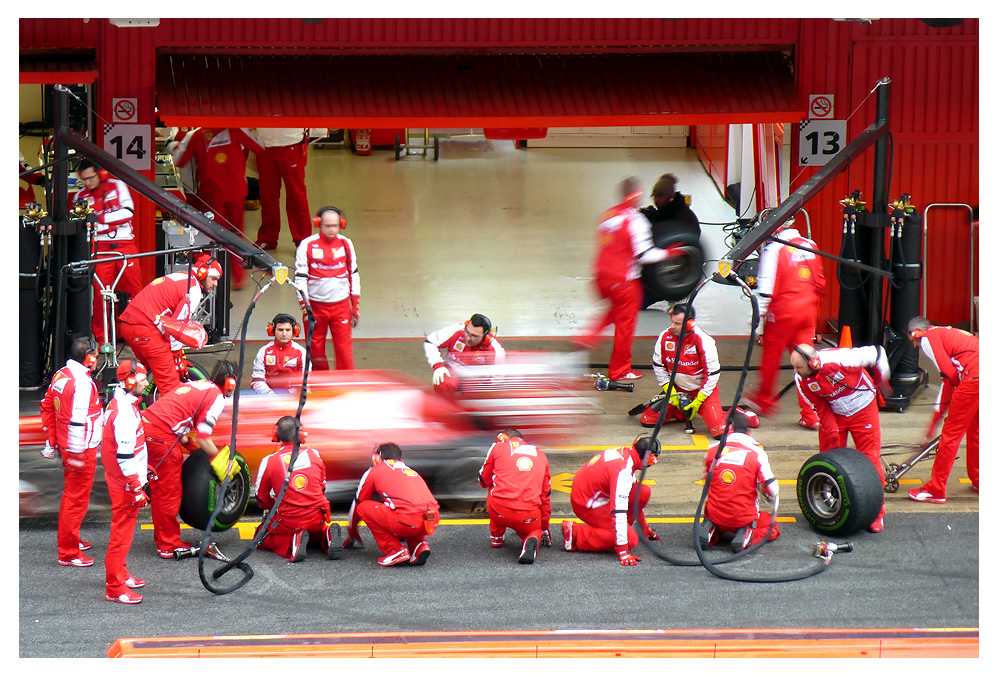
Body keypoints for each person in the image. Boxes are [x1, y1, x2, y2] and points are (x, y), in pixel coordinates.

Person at [140, 360, 241, 558]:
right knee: (169, 492)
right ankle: (168, 545)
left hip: (149, 428)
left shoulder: (197, 385)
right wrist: (221, 461)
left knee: (161, 490)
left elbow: (176, 419)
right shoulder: (216, 397)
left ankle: (163, 539)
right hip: (161, 436)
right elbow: (204, 436)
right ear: (230, 383)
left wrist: (191, 447)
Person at [577, 176, 671, 381]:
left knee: (616, 307)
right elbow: (645, 255)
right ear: (637, 195)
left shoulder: (606, 216)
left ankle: (588, 336)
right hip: (623, 280)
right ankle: (620, 370)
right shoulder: (636, 221)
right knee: (625, 325)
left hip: (601, 278)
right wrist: (671, 253)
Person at [791, 343, 890, 533]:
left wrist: (882, 380)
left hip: (863, 409)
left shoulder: (842, 358)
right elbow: (819, 406)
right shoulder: (801, 379)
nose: (795, 371)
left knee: (870, 459)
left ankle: (877, 512)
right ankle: (829, 503)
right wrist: (833, 434)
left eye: (798, 367)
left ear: (813, 362)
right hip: (835, 413)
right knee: (828, 459)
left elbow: (878, 352)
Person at [743, 215, 826, 429]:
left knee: (771, 358)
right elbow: (820, 283)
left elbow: (766, 289)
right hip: (808, 311)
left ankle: (764, 401)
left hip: (782, 312)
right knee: (806, 361)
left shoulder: (774, 249)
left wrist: (755, 318)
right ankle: (811, 413)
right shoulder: (811, 245)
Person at [640, 304, 759, 437]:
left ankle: (737, 414)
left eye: (677, 324)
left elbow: (713, 374)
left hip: (702, 392)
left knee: (720, 432)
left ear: (690, 324)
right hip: (677, 391)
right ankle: (680, 413)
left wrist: (699, 399)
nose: (672, 326)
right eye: (672, 322)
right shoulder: (664, 337)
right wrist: (671, 392)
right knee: (647, 420)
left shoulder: (705, 341)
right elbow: (659, 366)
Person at [39, 336, 104, 567]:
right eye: (95, 355)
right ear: (88, 358)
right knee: (76, 501)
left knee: (71, 497)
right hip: (80, 450)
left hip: (69, 447)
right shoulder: (83, 384)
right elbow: (77, 422)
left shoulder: (61, 375)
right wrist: (77, 456)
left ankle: (71, 539)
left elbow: (46, 406)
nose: (97, 360)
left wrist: (52, 441)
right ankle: (68, 552)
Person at [119, 253, 221, 396]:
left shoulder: (182, 276)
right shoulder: (192, 290)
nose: (216, 284)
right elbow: (176, 330)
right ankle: (173, 415)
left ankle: (143, 409)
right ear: (203, 272)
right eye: (214, 279)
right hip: (144, 328)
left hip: (130, 325)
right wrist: (177, 356)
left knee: (149, 376)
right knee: (170, 384)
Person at [176, 127, 265, 289]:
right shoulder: (237, 129)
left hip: (211, 195)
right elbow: (259, 146)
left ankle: (210, 277)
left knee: (211, 238)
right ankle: (238, 278)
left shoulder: (196, 135)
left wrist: (175, 144)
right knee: (236, 235)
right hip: (236, 191)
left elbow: (179, 160)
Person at [906, 317, 979, 503]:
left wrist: (933, 426)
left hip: (974, 378)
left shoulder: (928, 337)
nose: (916, 347)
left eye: (913, 342)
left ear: (916, 333)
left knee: (951, 435)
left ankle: (936, 489)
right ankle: (979, 479)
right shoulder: (949, 333)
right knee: (976, 431)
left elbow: (950, 378)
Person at [75, 159, 143, 346]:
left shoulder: (118, 185)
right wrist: (109, 222)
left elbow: (128, 213)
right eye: (84, 179)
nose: (88, 183)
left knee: (134, 294)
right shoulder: (80, 197)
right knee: (100, 298)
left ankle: (137, 334)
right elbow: (84, 225)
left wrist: (98, 219)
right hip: (100, 250)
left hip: (125, 248)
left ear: (101, 173)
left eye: (91, 178)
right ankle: (102, 340)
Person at [563, 436, 660, 566]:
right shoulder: (623, 471)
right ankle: (577, 534)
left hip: (590, 494)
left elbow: (635, 499)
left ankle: (616, 530)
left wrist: (644, 527)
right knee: (631, 540)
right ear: (650, 459)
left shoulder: (627, 455)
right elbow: (618, 511)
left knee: (643, 491)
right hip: (586, 504)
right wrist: (623, 551)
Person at [254, 416, 339, 561]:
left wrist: (273, 506)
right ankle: (326, 535)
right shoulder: (314, 454)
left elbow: (261, 498)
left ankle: (292, 542)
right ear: (301, 435)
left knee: (260, 537)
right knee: (314, 529)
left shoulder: (269, 461)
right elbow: (322, 486)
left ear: (276, 436)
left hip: (290, 521)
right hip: (318, 516)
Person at [343, 442, 440, 567]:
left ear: (377, 458)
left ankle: (395, 550)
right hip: (431, 520)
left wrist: (352, 532)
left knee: (364, 507)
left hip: (405, 520)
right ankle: (419, 545)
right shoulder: (410, 471)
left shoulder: (374, 471)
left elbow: (358, 503)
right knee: (407, 509)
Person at [101, 360, 150, 604]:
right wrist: (137, 486)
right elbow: (124, 455)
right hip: (124, 483)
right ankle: (115, 586)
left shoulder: (120, 404)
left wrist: (144, 468)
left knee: (124, 532)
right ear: (129, 381)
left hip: (122, 478)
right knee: (122, 534)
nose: (146, 382)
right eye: (142, 378)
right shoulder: (125, 413)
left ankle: (120, 571)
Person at [698, 410, 780, 552]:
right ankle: (749, 534)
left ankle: (712, 527)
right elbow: (773, 490)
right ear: (748, 432)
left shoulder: (712, 450)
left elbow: (707, 481)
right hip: (743, 517)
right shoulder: (757, 454)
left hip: (716, 513)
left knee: (712, 507)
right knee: (772, 527)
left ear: (728, 429)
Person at [295, 206, 360, 371]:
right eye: (328, 226)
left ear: (341, 225)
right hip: (316, 308)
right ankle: (320, 385)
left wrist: (355, 306)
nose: (332, 229)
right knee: (315, 352)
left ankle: (346, 384)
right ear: (318, 224)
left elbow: (354, 274)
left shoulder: (346, 244)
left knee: (345, 351)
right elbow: (300, 279)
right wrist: (306, 307)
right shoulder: (306, 245)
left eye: (335, 226)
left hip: (342, 307)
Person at [477, 429, 553, 564]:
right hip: (527, 514)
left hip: (498, 509)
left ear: (504, 437)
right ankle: (531, 539)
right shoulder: (541, 455)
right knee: (534, 530)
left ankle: (496, 538)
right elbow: (545, 496)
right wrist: (544, 527)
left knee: (494, 487)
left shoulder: (497, 446)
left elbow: (483, 481)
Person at [252, 128, 312, 249]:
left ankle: (303, 240)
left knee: (296, 195)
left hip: (292, 142)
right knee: (267, 195)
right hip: (264, 144)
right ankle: (268, 237)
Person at [423, 313, 506, 397]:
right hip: (452, 369)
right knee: (443, 383)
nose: (468, 338)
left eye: (474, 336)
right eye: (467, 332)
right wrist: (438, 365)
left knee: (474, 399)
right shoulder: (456, 330)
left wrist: (485, 385)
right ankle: (443, 406)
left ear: (485, 337)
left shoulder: (496, 349)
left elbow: (499, 375)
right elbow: (431, 341)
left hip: (475, 378)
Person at [250, 313, 310, 394]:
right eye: (280, 330)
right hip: (268, 398)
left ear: (294, 331)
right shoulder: (263, 352)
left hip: (294, 398)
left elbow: (306, 381)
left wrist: (294, 396)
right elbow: (257, 381)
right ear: (272, 331)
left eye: (288, 330)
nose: (284, 334)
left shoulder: (302, 352)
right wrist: (270, 395)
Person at [639, 173, 701, 243]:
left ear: (671, 196)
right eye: (654, 196)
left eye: (660, 195)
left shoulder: (684, 218)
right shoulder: (665, 211)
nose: (656, 200)